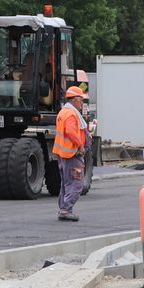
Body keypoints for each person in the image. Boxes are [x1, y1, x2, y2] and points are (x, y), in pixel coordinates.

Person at [54, 85, 90, 221]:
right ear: (75, 100)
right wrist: (80, 145)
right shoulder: (71, 113)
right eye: (81, 100)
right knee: (76, 183)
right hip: (72, 154)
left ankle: (64, 209)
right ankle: (66, 210)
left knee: (66, 184)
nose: (82, 103)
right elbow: (70, 131)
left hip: (64, 154)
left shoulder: (63, 112)